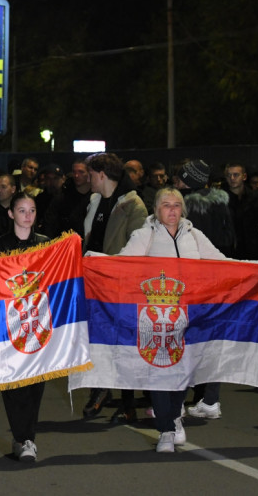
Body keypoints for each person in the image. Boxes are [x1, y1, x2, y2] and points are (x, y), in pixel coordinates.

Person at [116, 187, 230, 452]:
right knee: (158, 373)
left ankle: (175, 416)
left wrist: (254, 267)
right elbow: (121, 265)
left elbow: (222, 263)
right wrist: (95, 262)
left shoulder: (195, 235)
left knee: (182, 372)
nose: (172, 210)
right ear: (156, 209)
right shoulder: (144, 235)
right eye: (166, 205)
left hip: (188, 316)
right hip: (156, 318)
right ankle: (166, 430)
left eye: (176, 205)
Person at [81, 152, 147, 420]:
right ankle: (101, 388)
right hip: (95, 284)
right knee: (98, 340)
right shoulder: (95, 201)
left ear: (101, 175)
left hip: (121, 286)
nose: (88, 180)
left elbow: (139, 249)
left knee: (124, 343)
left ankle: (128, 402)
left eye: (90, 175)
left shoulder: (134, 206)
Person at [0, 191, 50, 462]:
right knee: (13, 383)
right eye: (22, 210)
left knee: (36, 382)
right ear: (11, 213)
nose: (28, 216)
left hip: (39, 323)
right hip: (10, 324)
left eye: (32, 210)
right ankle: (20, 437)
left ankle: (29, 438)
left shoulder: (47, 245)